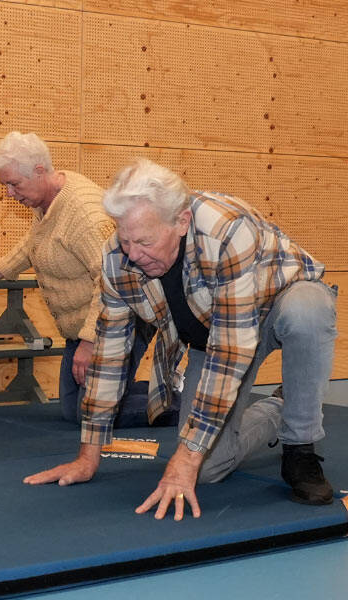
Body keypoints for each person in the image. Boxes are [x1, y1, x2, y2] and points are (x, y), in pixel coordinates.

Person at [24, 158, 338, 517]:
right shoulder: (117, 259)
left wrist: (186, 457)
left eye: (145, 241)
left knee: (307, 311)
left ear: (182, 221)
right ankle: (279, 409)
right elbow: (110, 355)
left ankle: (301, 448)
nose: (133, 254)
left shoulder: (226, 230)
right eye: (125, 240)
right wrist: (88, 456)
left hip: (275, 304)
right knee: (208, 468)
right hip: (212, 331)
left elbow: (232, 350)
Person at [0, 132, 176, 427]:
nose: (9, 193)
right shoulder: (48, 198)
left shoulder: (85, 216)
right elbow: (36, 239)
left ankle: (186, 401)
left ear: (38, 171)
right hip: (84, 323)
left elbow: (112, 280)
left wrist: (90, 342)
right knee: (71, 409)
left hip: (120, 318)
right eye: (4, 185)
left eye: (14, 184)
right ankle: (150, 390)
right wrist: (0, 270)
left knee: (91, 412)